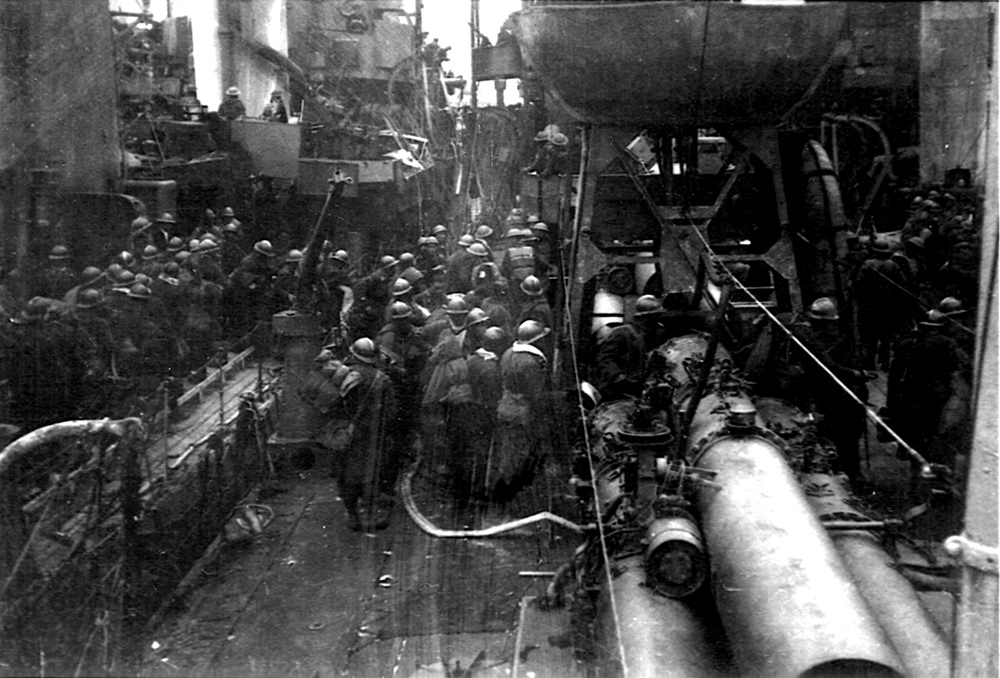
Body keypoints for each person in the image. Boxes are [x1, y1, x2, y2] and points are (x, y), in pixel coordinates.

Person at [790, 297, 869, 482]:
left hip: (820, 395)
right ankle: (851, 474)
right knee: (845, 438)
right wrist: (857, 374)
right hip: (832, 397)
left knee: (829, 436)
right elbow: (829, 367)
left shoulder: (801, 333)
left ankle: (842, 472)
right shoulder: (819, 340)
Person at [488, 320, 552, 522]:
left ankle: (503, 501)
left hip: (506, 409)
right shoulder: (530, 363)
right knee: (515, 460)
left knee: (507, 456)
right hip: (521, 415)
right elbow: (537, 395)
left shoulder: (509, 354)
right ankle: (505, 507)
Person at [336, 337, 398, 531]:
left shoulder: (344, 375)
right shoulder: (382, 378)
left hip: (350, 433)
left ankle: (352, 514)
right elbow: (392, 412)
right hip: (374, 434)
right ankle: (372, 513)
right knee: (374, 470)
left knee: (347, 472)